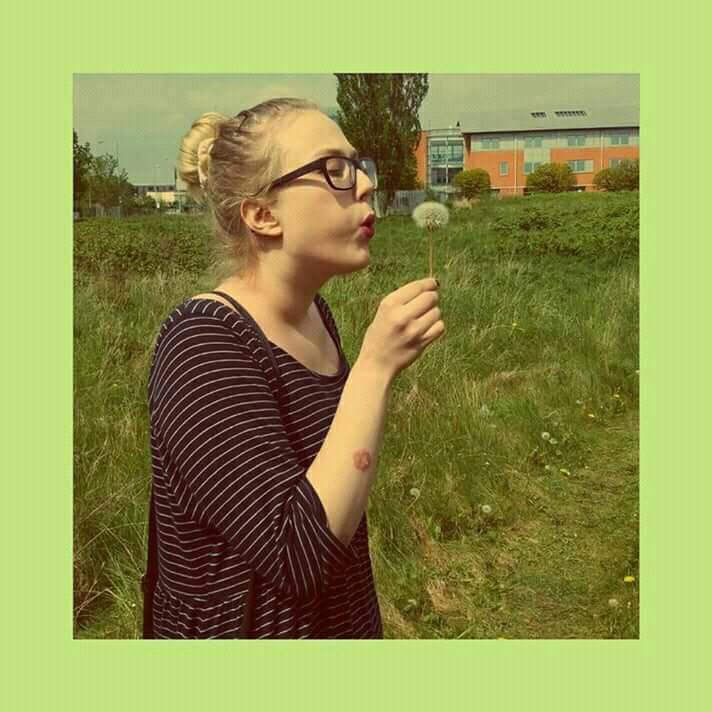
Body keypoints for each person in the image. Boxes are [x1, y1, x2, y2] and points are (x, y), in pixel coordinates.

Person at [146, 97, 444, 638]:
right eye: (333, 169)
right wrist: (374, 370)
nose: (364, 183)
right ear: (263, 214)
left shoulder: (315, 316)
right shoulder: (204, 344)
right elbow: (297, 554)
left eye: (356, 164)